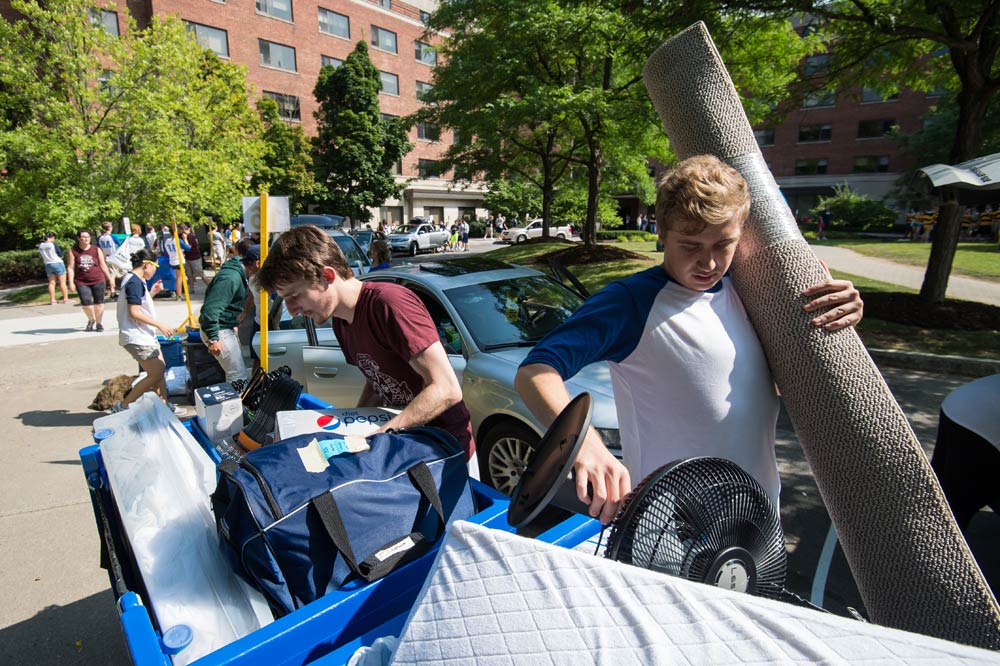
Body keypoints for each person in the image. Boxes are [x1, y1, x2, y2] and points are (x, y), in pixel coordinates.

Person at [515, 155, 864, 524]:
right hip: (669, 528)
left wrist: (842, 312)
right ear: (661, 232)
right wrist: (583, 446)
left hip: (756, 521)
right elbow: (535, 372)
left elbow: (780, 383)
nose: (709, 264)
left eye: (722, 244)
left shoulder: (752, 291)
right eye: (691, 246)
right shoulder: (630, 303)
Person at [255, 225, 475, 458]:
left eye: (294, 296)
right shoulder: (341, 322)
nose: (292, 310)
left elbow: (446, 389)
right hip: (406, 444)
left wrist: (379, 435)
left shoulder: (389, 304)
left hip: (444, 448)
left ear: (327, 276)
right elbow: (377, 379)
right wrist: (349, 427)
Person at [110, 249, 186, 416]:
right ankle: (124, 405)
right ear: (146, 264)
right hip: (137, 336)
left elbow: (139, 303)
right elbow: (134, 312)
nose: (155, 270)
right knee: (155, 373)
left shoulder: (135, 280)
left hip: (145, 335)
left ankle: (164, 405)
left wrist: (153, 293)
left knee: (159, 371)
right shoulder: (134, 282)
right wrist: (160, 325)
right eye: (155, 266)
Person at [199, 237, 251, 384]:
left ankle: (234, 404)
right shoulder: (231, 277)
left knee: (236, 374)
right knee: (237, 376)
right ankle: (235, 407)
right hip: (218, 330)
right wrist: (213, 338)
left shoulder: (238, 275)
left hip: (224, 327)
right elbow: (210, 310)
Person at [67, 229, 114, 332]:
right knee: (86, 303)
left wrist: (110, 279)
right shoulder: (73, 250)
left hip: (98, 279)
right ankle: (91, 319)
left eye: (88, 237)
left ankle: (99, 323)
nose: (86, 239)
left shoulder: (96, 249)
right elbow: (70, 267)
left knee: (99, 303)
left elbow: (103, 265)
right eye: (83, 237)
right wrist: (70, 282)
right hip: (82, 281)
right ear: (79, 238)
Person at [106, 224, 148, 293]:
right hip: (139, 259)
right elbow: (143, 250)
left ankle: (126, 289)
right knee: (140, 275)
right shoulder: (141, 240)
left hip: (129, 260)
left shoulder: (128, 240)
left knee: (128, 276)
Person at [38, 232, 70, 305]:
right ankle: (66, 299)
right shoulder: (53, 244)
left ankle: (52, 300)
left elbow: (41, 255)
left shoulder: (41, 245)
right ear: (52, 237)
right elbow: (61, 255)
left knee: (52, 283)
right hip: (57, 263)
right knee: (62, 282)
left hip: (48, 264)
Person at [179, 222, 207, 294]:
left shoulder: (190, 236)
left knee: (200, 273)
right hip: (188, 257)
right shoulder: (183, 236)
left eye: (182, 229)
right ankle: (191, 289)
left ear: (185, 229)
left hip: (195, 258)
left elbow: (189, 247)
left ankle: (211, 286)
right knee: (189, 275)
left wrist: (185, 239)